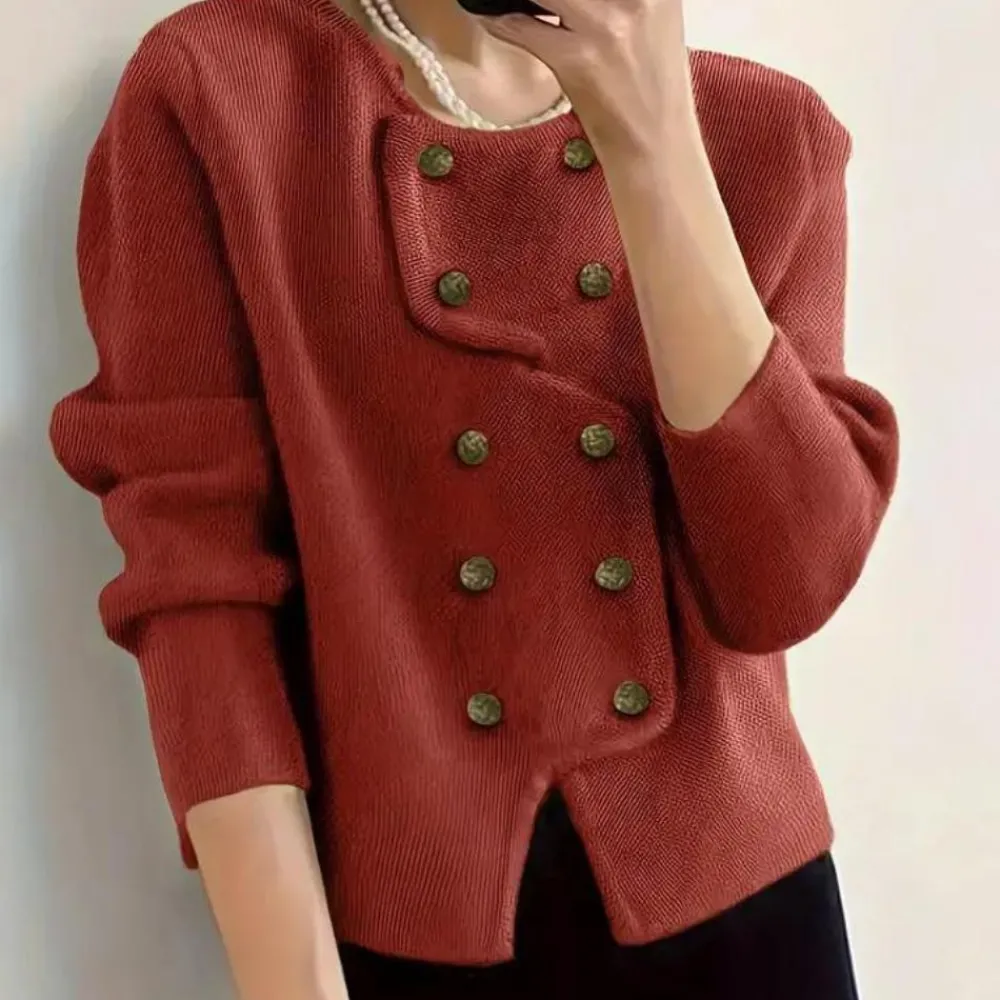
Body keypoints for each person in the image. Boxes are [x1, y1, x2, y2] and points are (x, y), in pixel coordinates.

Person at [49, 0, 899, 997]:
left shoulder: (766, 135)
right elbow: (197, 580)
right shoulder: (224, 92)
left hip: (749, 922)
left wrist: (652, 139)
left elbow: (781, 587)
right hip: (417, 939)